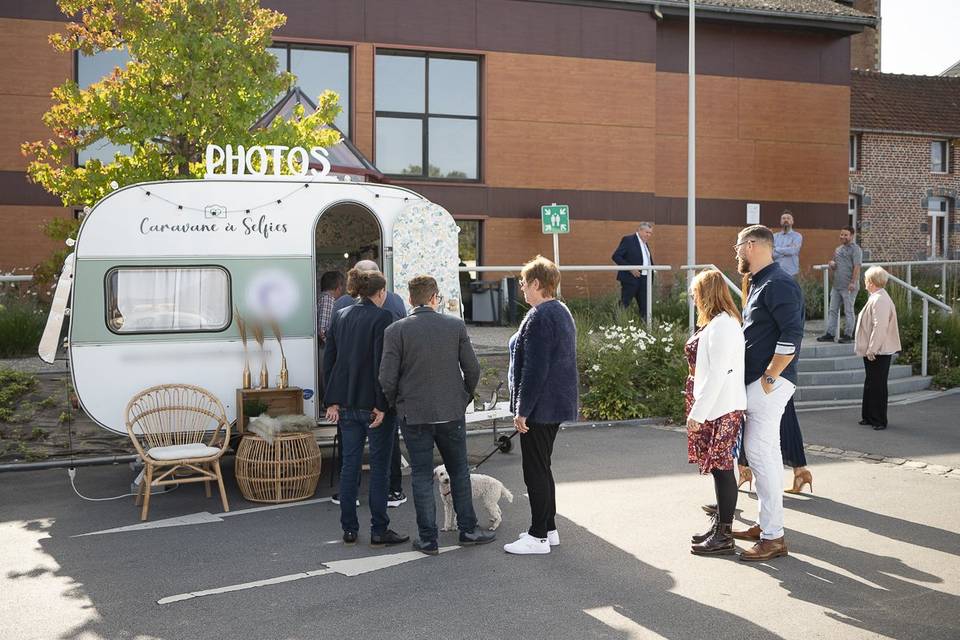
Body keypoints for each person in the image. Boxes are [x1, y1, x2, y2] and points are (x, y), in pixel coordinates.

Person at [379, 275, 495, 555]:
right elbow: (473, 369)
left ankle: (429, 538)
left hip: (413, 413)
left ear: (410, 299)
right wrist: (464, 396)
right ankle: (468, 530)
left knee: (420, 475)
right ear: (434, 298)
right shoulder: (454, 326)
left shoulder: (395, 331)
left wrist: (397, 403)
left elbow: (386, 377)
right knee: (459, 471)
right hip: (451, 412)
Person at [732, 225, 804, 562]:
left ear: (751, 246)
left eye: (738, 247)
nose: (736, 254)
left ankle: (773, 537)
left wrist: (770, 376)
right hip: (763, 381)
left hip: (769, 382)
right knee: (767, 456)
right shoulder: (762, 282)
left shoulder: (778, 283)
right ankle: (766, 527)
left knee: (759, 453)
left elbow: (792, 332)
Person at [323, 270, 409, 548]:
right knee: (380, 469)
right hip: (373, 406)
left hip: (346, 404)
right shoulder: (383, 317)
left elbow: (331, 361)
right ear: (381, 292)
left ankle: (349, 529)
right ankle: (378, 529)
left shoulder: (341, 315)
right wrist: (383, 405)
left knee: (350, 466)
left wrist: (331, 400)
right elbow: (381, 367)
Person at [503, 256, 579, 555]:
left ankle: (538, 536)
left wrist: (522, 410)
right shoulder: (559, 310)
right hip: (553, 404)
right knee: (542, 467)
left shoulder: (540, 316)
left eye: (523, 283)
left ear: (537, 283)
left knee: (534, 470)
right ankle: (548, 528)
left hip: (540, 407)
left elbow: (535, 369)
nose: (521, 288)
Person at [685, 269, 746, 556]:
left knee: (722, 470)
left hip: (721, 407)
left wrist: (698, 412)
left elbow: (719, 372)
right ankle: (720, 527)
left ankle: (724, 535)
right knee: (719, 470)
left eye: (696, 293)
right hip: (717, 406)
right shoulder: (719, 323)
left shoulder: (723, 325)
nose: (693, 299)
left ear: (706, 294)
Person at [854, 266, 901, 430]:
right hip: (875, 349)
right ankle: (868, 416)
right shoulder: (877, 297)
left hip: (878, 351)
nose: (864, 282)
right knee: (871, 382)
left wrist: (872, 349)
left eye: (866, 280)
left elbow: (879, 326)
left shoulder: (880, 299)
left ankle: (879, 419)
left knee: (877, 384)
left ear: (871, 282)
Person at [818, 226, 862, 344]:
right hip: (837, 285)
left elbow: (857, 267)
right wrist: (831, 264)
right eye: (841, 234)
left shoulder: (856, 249)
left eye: (846, 235)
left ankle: (848, 335)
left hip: (849, 286)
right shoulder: (838, 249)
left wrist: (853, 282)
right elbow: (835, 265)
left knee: (848, 311)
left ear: (852, 236)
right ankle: (830, 334)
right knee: (832, 310)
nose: (843, 236)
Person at [612, 222, 654, 318]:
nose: (649, 235)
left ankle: (646, 329)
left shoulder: (645, 243)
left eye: (650, 233)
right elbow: (616, 256)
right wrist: (630, 268)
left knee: (645, 306)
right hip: (631, 278)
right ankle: (615, 326)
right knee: (624, 303)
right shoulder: (628, 240)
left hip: (644, 279)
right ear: (639, 230)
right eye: (647, 232)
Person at [772, 210, 803, 278]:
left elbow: (793, 251)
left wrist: (776, 249)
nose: (786, 220)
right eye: (783, 218)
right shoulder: (774, 237)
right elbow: (772, 254)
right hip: (776, 272)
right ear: (780, 222)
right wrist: (787, 249)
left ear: (792, 221)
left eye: (788, 218)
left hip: (791, 273)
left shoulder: (797, 236)